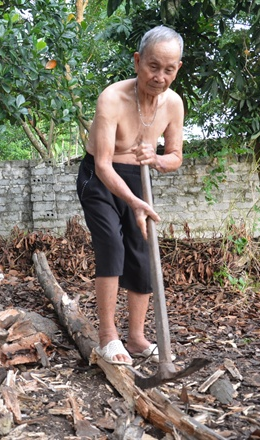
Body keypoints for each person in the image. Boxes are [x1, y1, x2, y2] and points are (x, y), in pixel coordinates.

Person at [76, 25, 184, 366]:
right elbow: (105, 165)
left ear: (178, 68)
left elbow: (176, 157)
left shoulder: (173, 104)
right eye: (153, 66)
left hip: (139, 179)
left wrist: (157, 159)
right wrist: (135, 203)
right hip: (99, 177)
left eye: (169, 69)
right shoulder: (112, 98)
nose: (160, 76)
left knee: (142, 251)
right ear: (137, 61)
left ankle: (136, 337)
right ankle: (108, 337)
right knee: (112, 244)